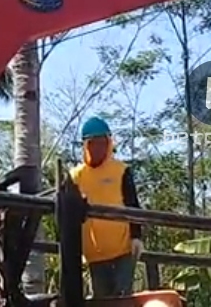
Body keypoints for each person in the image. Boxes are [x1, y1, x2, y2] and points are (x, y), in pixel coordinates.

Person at [70, 116, 144, 298]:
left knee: (122, 298)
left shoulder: (121, 170)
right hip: (94, 254)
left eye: (103, 143)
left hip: (123, 249)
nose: (98, 148)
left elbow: (132, 204)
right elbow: (68, 215)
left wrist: (136, 236)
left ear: (109, 144)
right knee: (101, 300)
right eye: (93, 143)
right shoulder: (75, 176)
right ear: (86, 146)